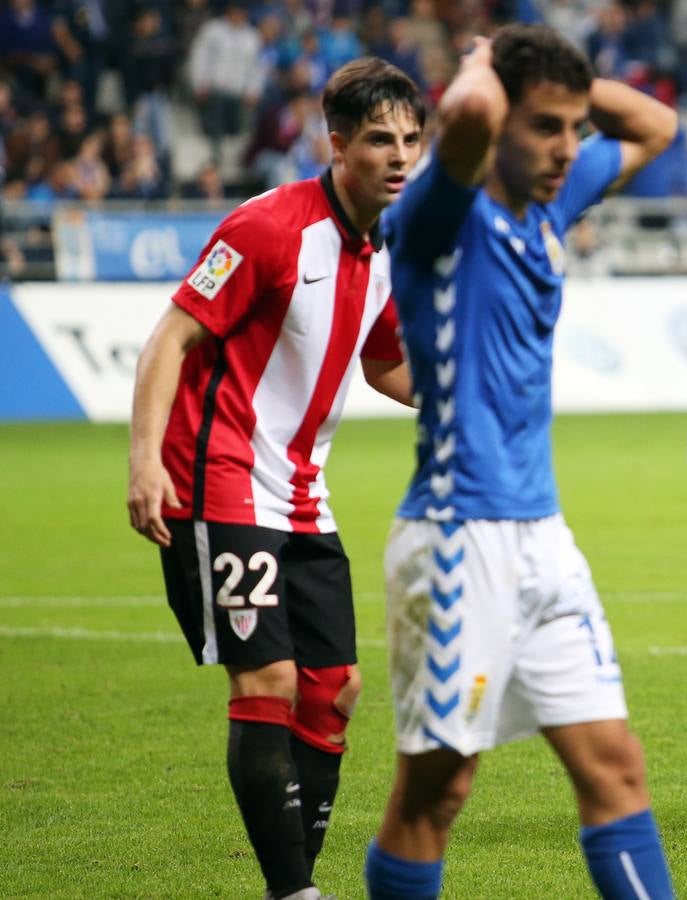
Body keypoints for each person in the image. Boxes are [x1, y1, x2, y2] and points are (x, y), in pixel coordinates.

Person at [364, 25, 677, 900]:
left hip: (544, 539)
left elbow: (655, 126)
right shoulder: (436, 214)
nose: (566, 148)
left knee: (615, 766)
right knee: (436, 793)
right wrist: (485, 57)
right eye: (544, 126)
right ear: (500, 122)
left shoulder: (551, 194)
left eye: (574, 128)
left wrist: (567, 87)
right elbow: (463, 109)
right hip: (459, 540)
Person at [126, 59, 423, 900]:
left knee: (333, 694)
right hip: (216, 479)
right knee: (269, 682)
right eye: (378, 140)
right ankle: (294, 893)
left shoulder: (383, 248)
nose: (398, 157)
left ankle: (294, 885)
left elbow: (387, 365)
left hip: (299, 494)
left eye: (410, 140)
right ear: (336, 144)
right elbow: (169, 339)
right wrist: (144, 459)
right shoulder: (265, 228)